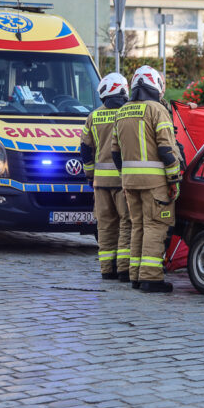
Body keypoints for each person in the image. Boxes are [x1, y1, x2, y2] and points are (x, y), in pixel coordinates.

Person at [111, 66, 181, 293]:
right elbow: (167, 150)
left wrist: (126, 176)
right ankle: (151, 278)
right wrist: (174, 179)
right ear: (155, 86)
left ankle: (135, 275)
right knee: (155, 226)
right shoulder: (157, 110)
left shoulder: (122, 111)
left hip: (129, 182)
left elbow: (115, 152)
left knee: (137, 226)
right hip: (155, 182)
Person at [80, 73, 132, 281]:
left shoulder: (93, 116)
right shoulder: (127, 113)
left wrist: (90, 173)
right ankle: (123, 269)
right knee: (126, 223)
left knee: (105, 225)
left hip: (100, 183)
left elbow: (85, 148)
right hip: (122, 181)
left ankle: (106, 270)